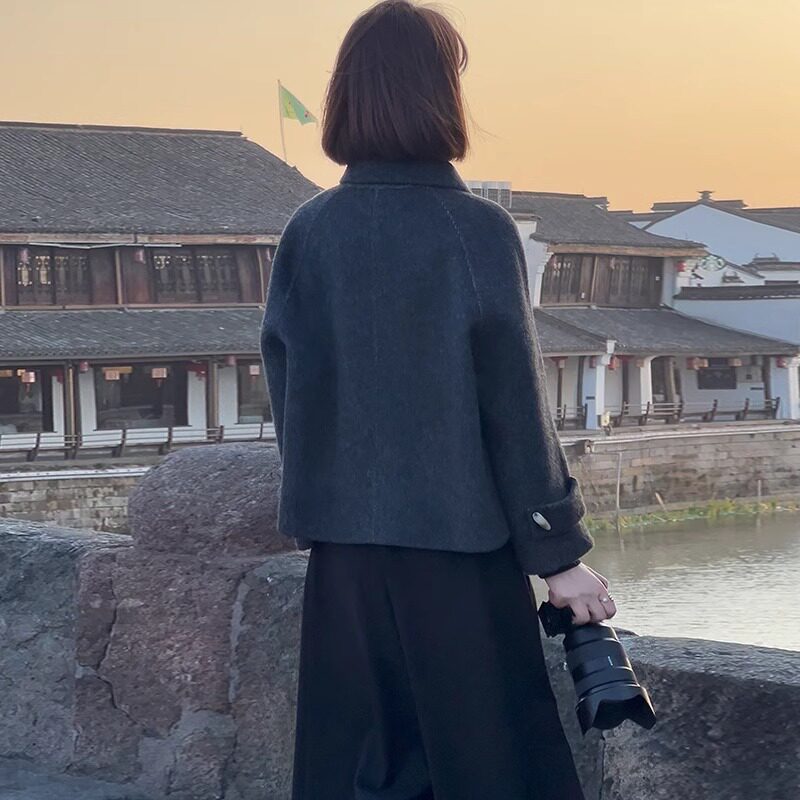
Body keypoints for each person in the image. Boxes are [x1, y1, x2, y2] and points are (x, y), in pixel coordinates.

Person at [261, 2, 617, 798]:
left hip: (345, 562)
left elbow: (291, 390)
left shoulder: (309, 230)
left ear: (347, 95)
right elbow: (514, 406)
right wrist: (559, 556)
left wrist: (323, 506)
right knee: (487, 769)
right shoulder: (475, 230)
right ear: (440, 95)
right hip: (459, 555)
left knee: (357, 772)